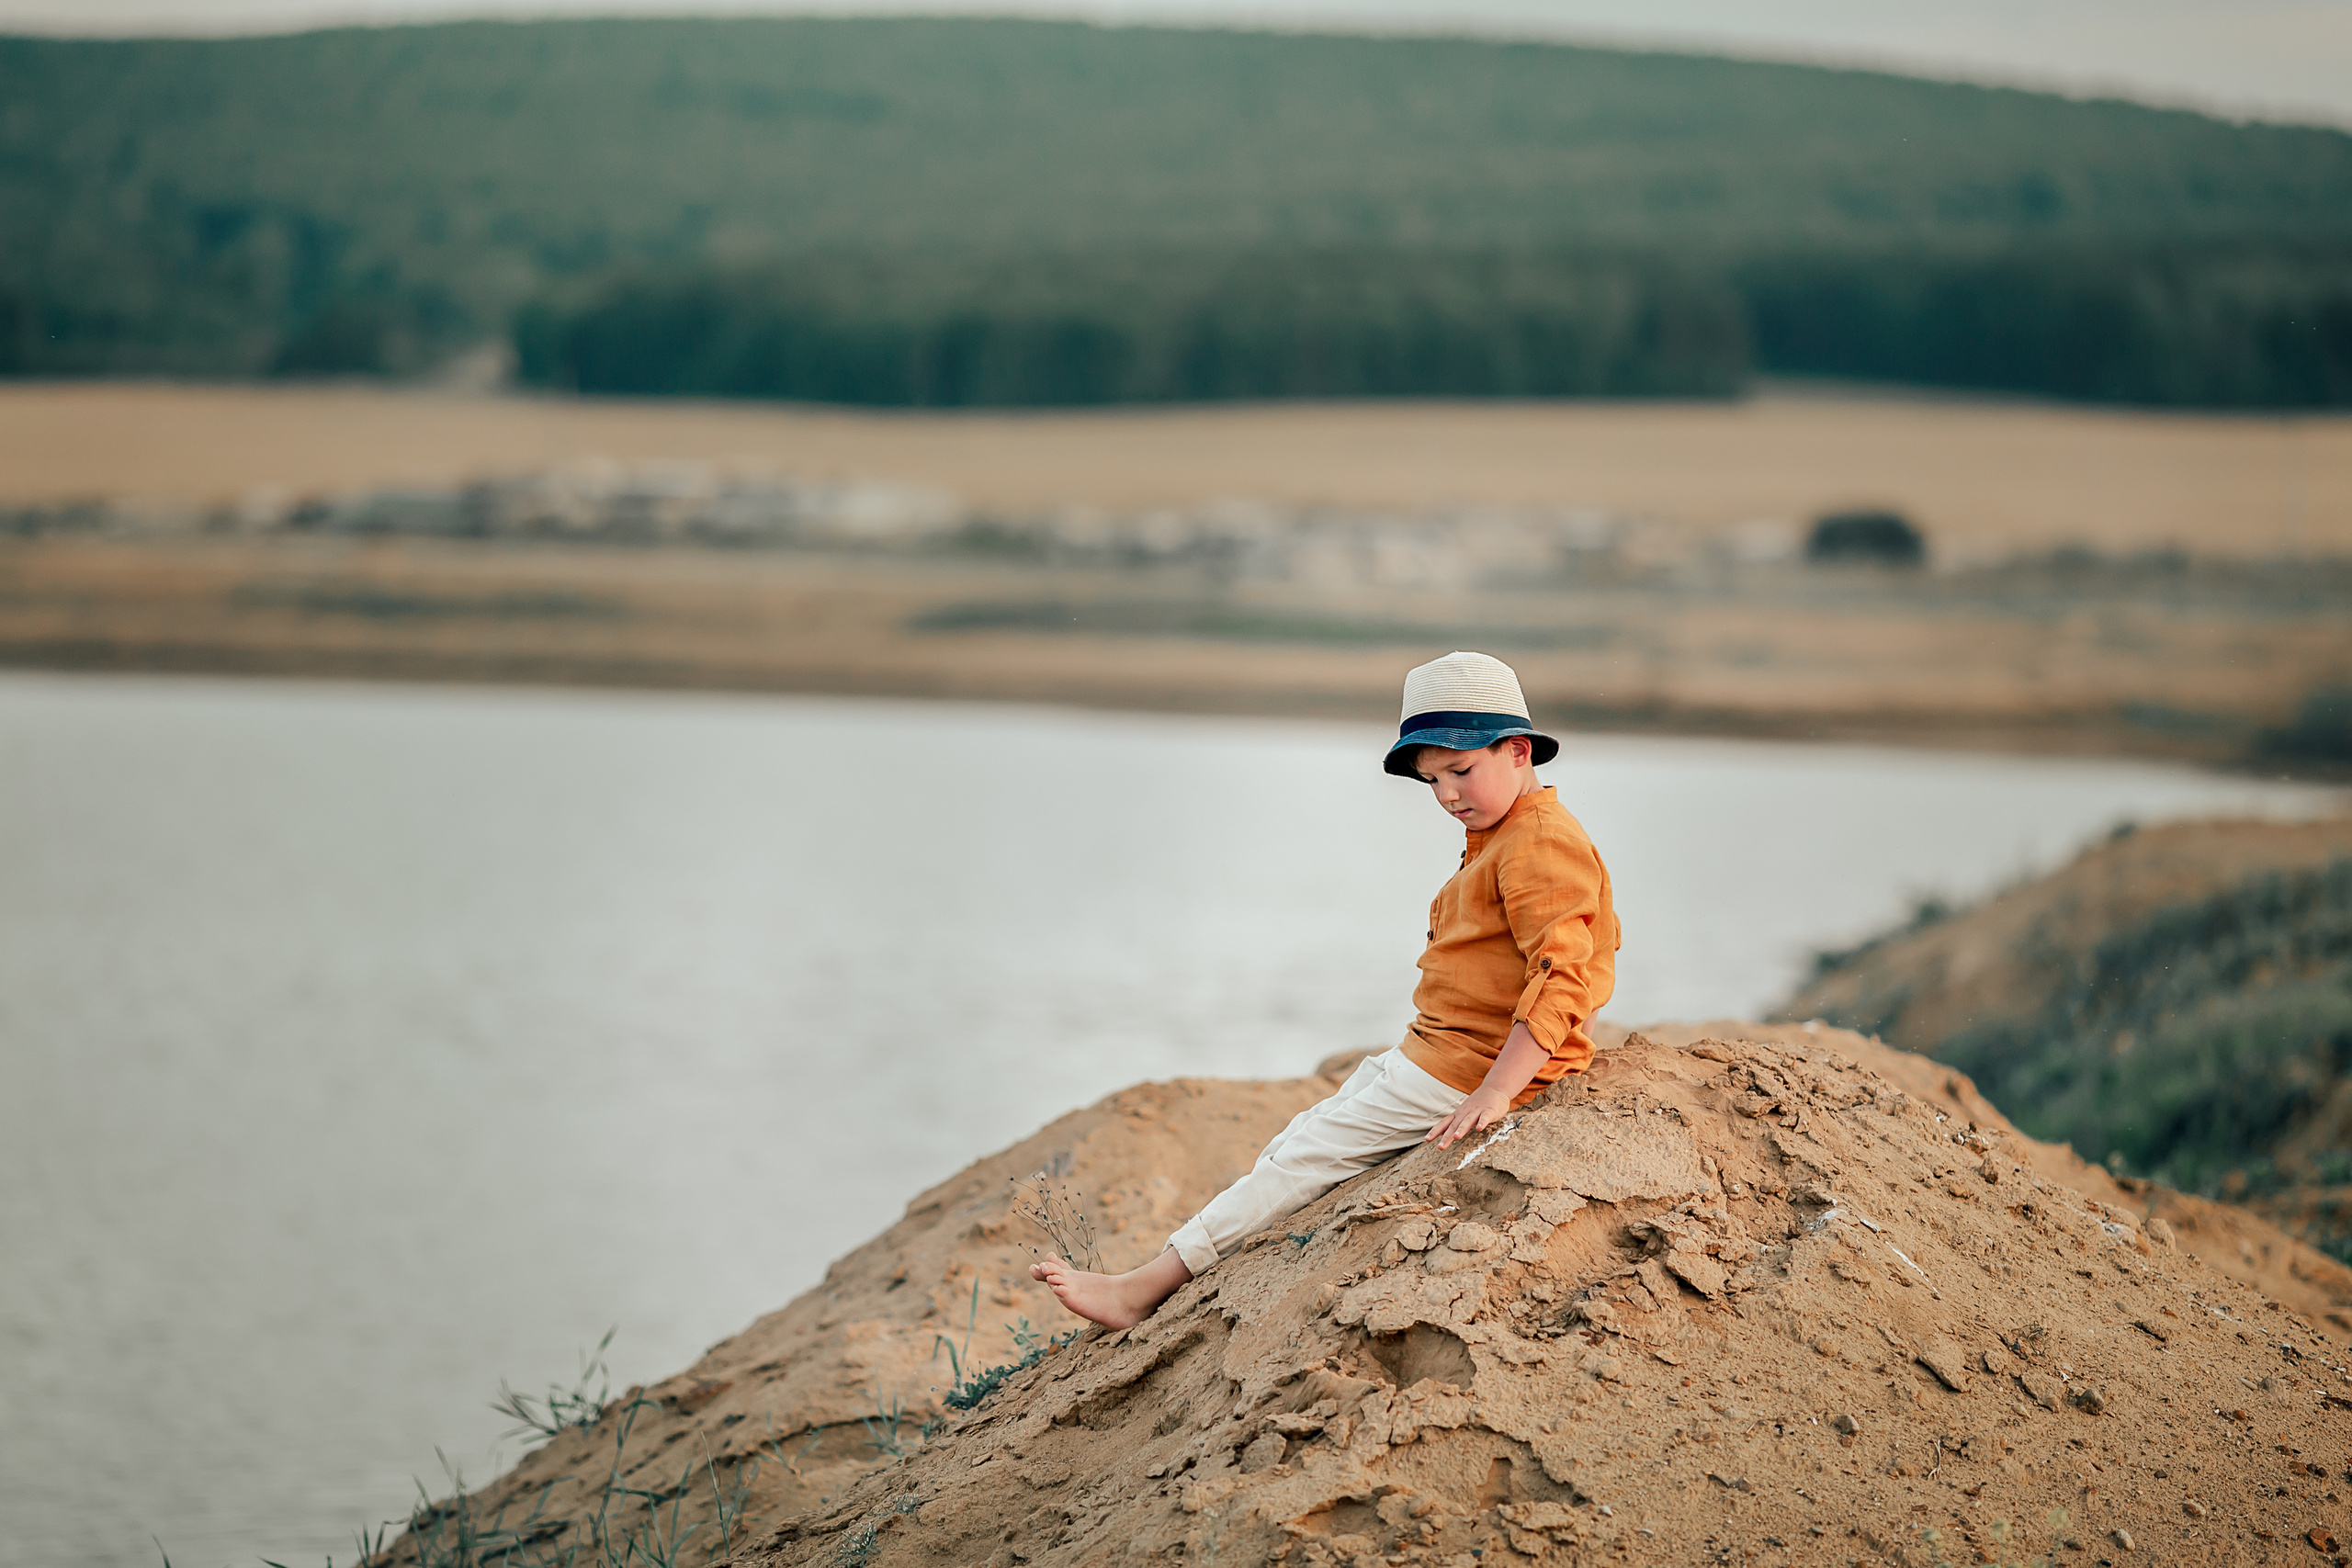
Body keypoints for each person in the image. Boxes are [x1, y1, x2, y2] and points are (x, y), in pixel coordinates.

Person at [1032, 650, 1620, 1328]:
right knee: (1300, 1137)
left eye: (1461, 770)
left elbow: (1564, 975)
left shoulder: (1540, 842)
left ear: (1517, 751)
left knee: (1303, 1159)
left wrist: (1496, 1089)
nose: (1448, 794)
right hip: (1437, 1051)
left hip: (1471, 1068)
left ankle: (1142, 1287)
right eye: (1432, 780)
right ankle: (1230, 1247)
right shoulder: (1500, 832)